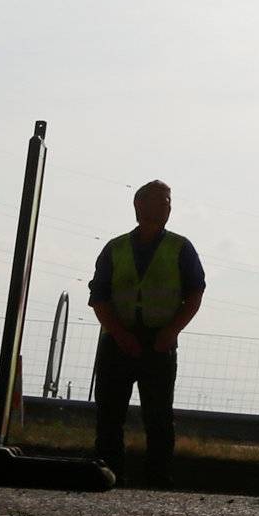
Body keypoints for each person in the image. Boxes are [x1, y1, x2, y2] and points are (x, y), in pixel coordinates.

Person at [89, 179, 205, 488]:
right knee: (110, 414)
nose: (166, 207)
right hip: (117, 342)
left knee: (159, 417)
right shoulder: (115, 248)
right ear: (139, 206)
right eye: (160, 201)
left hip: (159, 343)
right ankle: (108, 473)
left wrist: (171, 331)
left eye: (168, 202)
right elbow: (98, 297)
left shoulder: (181, 247)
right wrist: (119, 334)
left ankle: (157, 478)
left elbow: (195, 293)